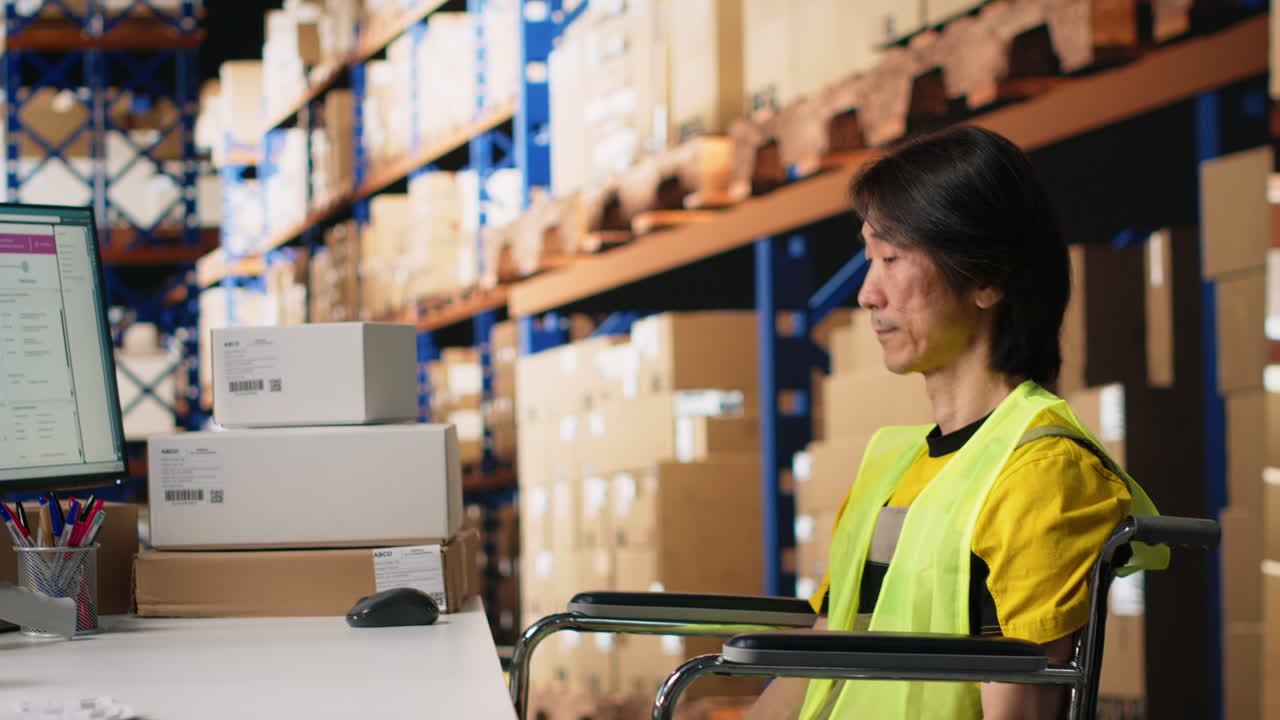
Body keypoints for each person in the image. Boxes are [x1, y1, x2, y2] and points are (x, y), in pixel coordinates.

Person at [746, 126, 1166, 720]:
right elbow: (811, 668)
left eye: (892, 258)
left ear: (988, 279)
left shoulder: (1042, 471)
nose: (868, 294)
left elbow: (1017, 709)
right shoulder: (892, 466)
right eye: (870, 260)